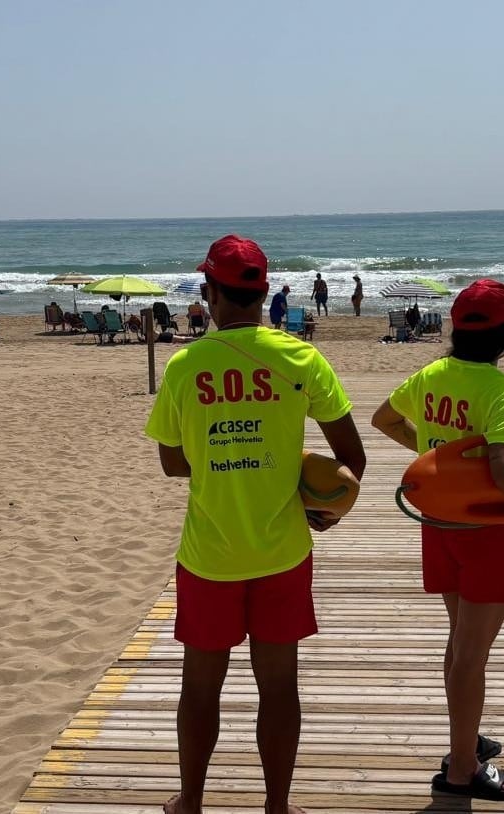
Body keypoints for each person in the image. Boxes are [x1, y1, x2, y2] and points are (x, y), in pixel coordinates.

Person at [144, 235, 366, 814]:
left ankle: (190, 803)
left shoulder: (185, 365)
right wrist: (324, 509)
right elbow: (352, 457)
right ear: (263, 293)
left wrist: (220, 458)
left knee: (200, 688)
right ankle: (276, 806)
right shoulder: (301, 358)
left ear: (212, 294)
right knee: (279, 687)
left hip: (210, 554)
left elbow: (171, 462)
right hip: (283, 551)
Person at [370, 279, 504, 801]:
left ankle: (464, 737)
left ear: (455, 328)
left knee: (460, 643)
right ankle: (463, 767)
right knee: (470, 653)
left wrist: (435, 457)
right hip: (488, 531)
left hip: (441, 524)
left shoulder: (431, 375)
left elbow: (384, 418)